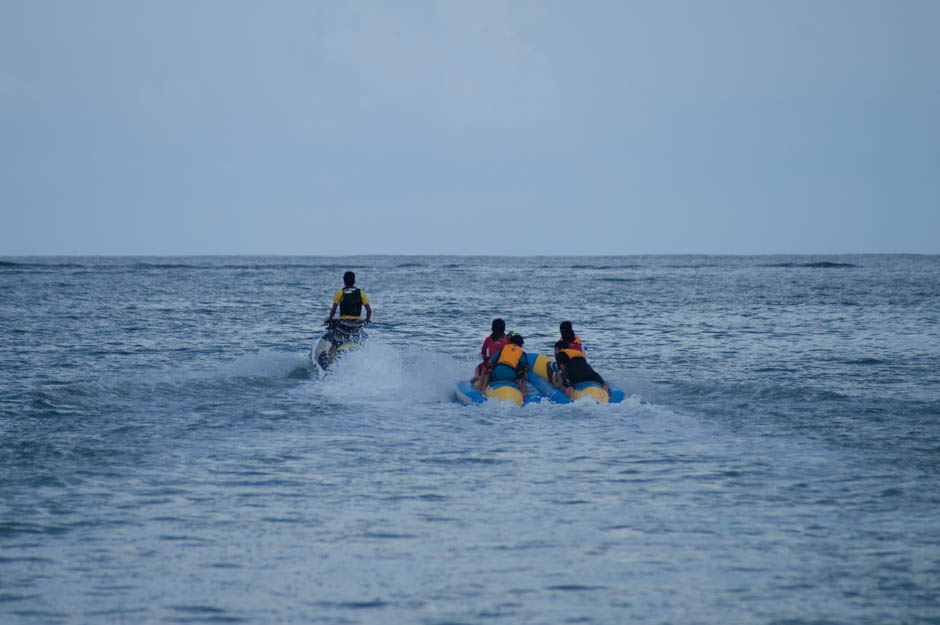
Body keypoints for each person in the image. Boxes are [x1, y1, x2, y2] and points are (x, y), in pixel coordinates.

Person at [470, 318, 509, 388]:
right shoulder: (508, 340)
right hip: (505, 366)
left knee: (478, 368)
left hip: (491, 367)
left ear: (492, 328)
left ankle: (472, 383)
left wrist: (487, 360)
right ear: (504, 328)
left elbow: (483, 355)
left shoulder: (489, 339)